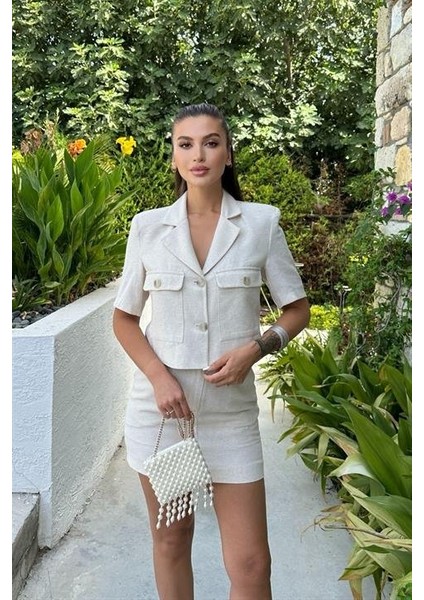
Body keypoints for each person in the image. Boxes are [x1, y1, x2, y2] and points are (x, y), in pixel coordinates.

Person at [112, 102, 310, 600]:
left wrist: (256, 349)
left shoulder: (261, 224)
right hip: (163, 415)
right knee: (172, 539)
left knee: (252, 564)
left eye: (211, 143)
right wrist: (159, 379)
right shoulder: (148, 227)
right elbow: (124, 318)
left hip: (230, 416)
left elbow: (296, 310)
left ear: (228, 154)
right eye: (186, 144)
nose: (198, 154)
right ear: (174, 157)